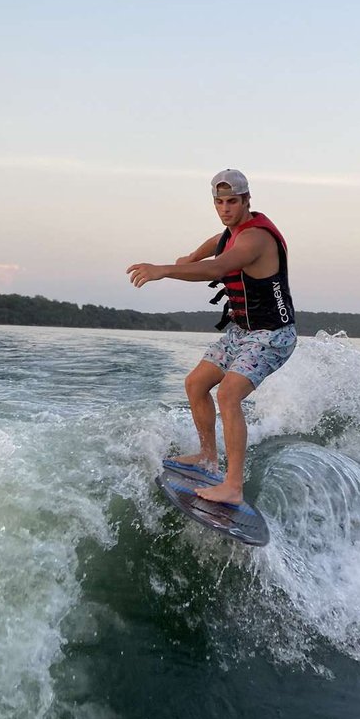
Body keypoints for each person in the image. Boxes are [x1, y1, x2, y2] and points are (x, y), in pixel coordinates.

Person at [127, 168, 297, 506]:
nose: (225, 208)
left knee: (229, 394)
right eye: (219, 202)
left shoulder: (255, 239)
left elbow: (218, 268)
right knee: (195, 384)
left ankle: (233, 486)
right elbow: (213, 247)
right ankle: (207, 455)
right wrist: (190, 257)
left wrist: (165, 270)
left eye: (232, 201)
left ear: (247, 200)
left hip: (272, 336)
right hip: (241, 333)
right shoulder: (229, 233)